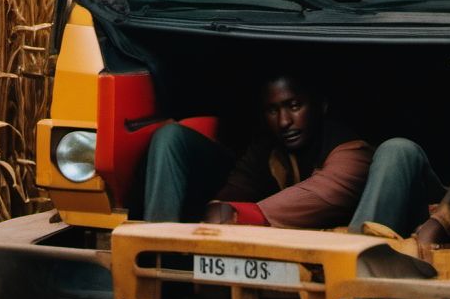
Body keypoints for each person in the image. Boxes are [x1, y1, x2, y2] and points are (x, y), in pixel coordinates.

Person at [141, 72, 372, 227]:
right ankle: (155, 250)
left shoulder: (348, 147)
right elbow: (236, 188)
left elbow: (324, 192)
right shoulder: (267, 147)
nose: (284, 121)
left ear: (321, 106)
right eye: (273, 111)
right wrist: (216, 208)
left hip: (334, 254)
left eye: (294, 106)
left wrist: (238, 215)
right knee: (169, 135)